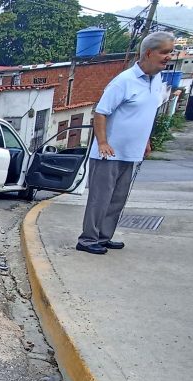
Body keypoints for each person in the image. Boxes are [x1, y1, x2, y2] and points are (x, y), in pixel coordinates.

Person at [76, 31, 175, 255]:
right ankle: (88, 238)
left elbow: (145, 114)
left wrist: (146, 140)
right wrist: (102, 142)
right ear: (149, 53)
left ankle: (103, 236)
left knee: (117, 199)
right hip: (108, 153)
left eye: (170, 52)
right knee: (100, 199)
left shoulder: (156, 80)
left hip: (131, 152)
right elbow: (100, 113)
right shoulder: (124, 81)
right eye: (165, 52)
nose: (169, 57)